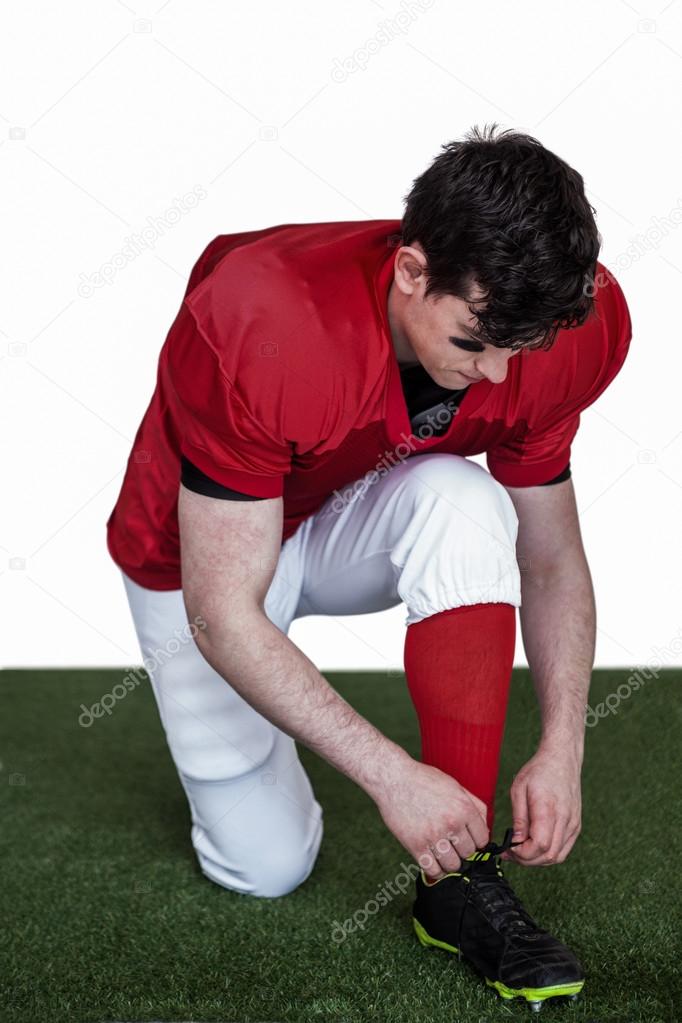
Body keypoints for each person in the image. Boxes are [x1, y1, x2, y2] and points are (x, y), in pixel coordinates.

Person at [106, 123, 632, 1011]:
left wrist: (563, 745)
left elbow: (549, 555)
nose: (498, 376)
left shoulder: (558, 326)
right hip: (209, 560)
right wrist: (392, 776)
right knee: (267, 866)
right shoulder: (263, 318)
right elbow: (224, 612)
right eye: (476, 341)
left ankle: (457, 883)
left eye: (522, 347)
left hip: (353, 510)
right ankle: (296, 788)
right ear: (412, 270)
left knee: (466, 503)